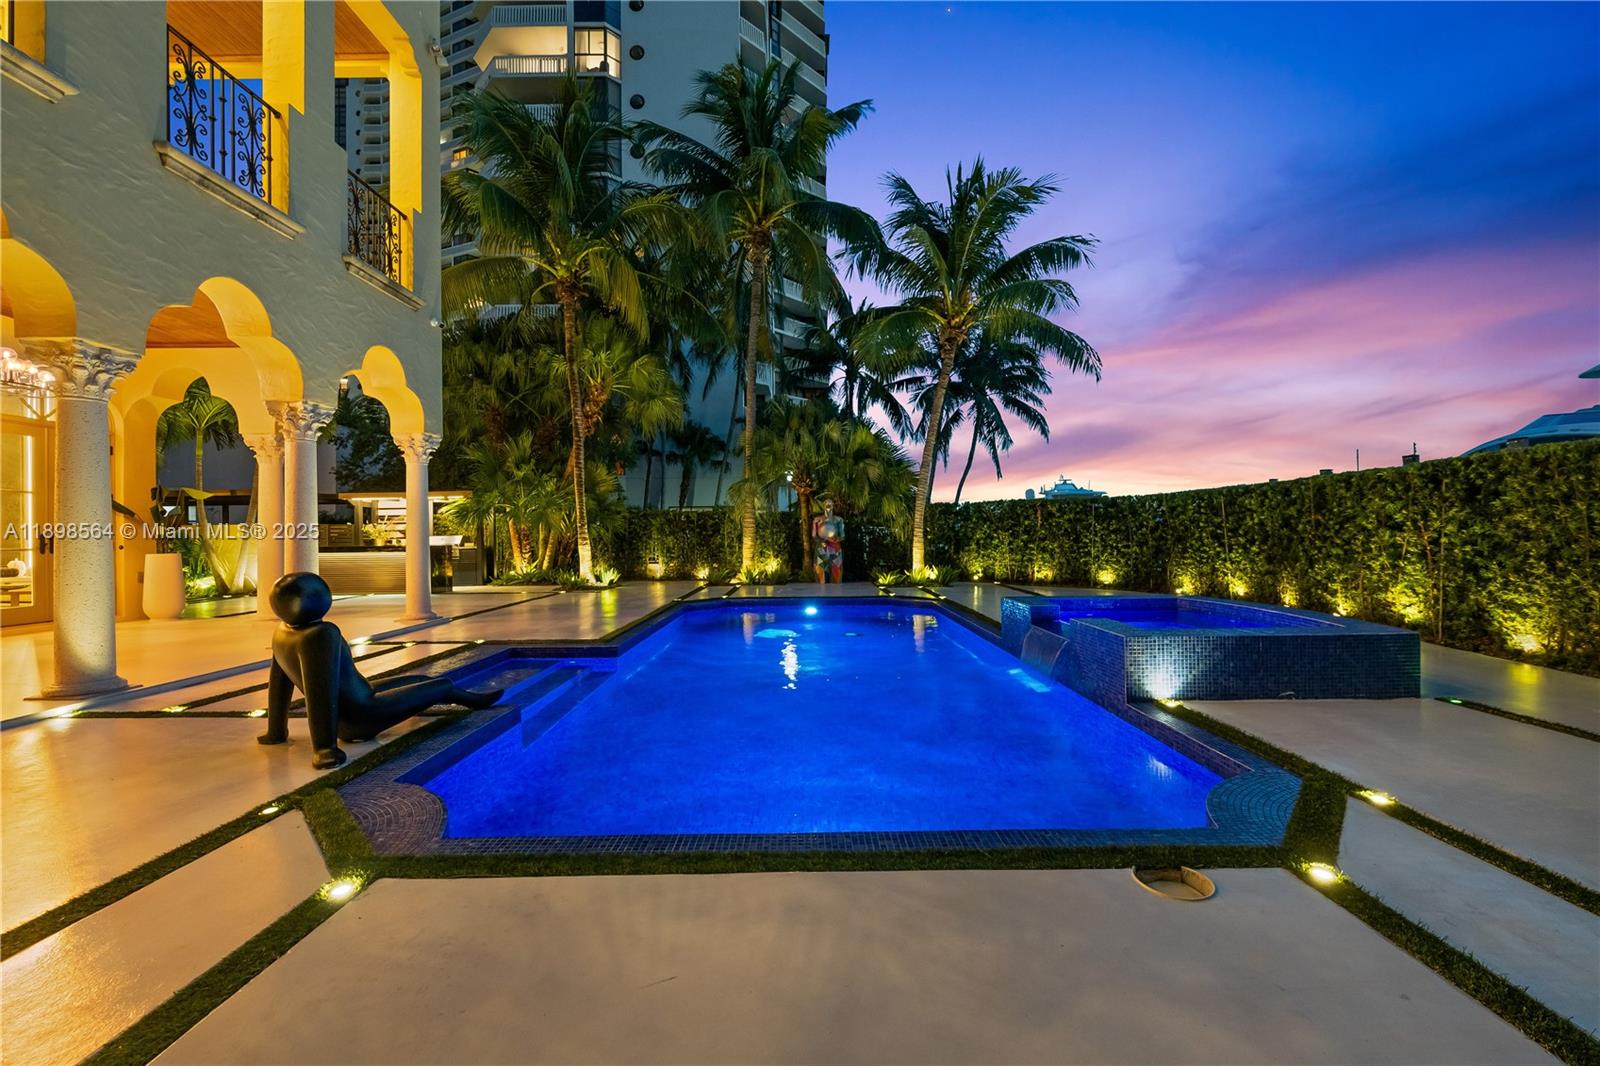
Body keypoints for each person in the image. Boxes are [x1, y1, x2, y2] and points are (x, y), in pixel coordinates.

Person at [258, 572, 502, 768]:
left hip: (362, 697)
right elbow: (320, 692)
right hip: (361, 716)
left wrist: (276, 731)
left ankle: (424, 695)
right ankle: (476, 701)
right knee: (443, 685)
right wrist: (324, 749)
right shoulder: (321, 634)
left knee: (418, 679)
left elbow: (279, 683)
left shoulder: (282, 632)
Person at [812, 499, 845, 584]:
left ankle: (837, 595)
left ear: (833, 506)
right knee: (820, 573)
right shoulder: (817, 520)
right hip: (821, 548)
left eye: (830, 504)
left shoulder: (839, 520)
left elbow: (842, 536)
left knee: (836, 572)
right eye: (826, 504)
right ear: (824, 506)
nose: (828, 505)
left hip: (835, 548)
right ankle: (820, 594)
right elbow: (814, 536)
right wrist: (823, 540)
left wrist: (836, 539)